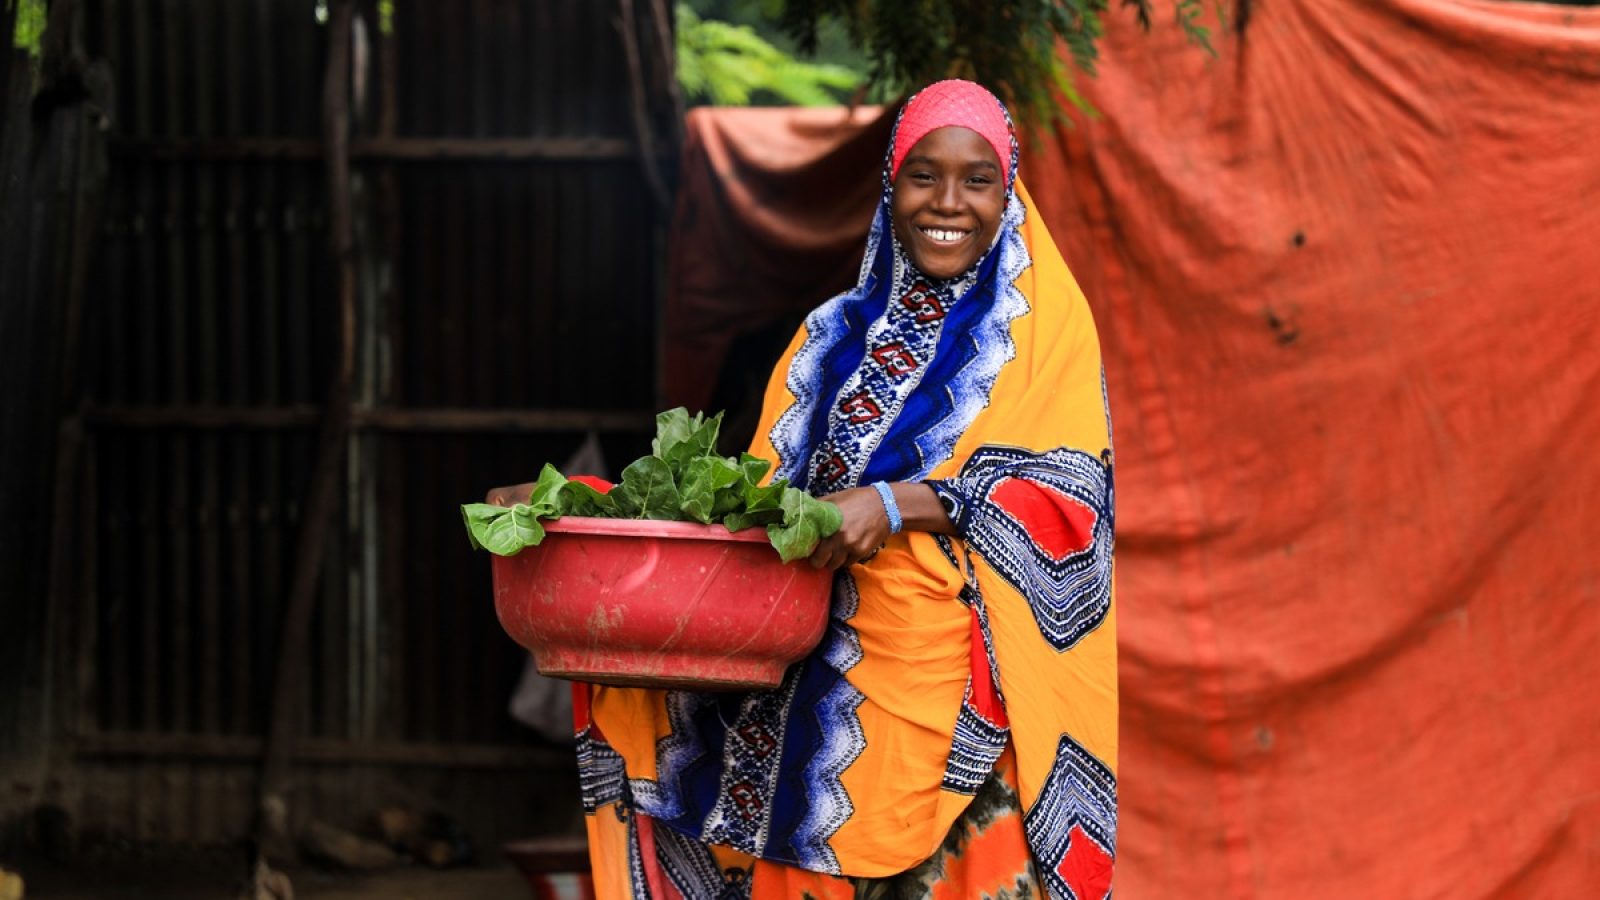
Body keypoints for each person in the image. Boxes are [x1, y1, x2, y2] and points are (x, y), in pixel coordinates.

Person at [575, 80, 1117, 899]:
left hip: (943, 710)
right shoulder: (827, 337)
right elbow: (757, 500)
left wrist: (902, 503)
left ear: (1009, 195)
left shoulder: (1041, 338)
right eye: (923, 175)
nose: (948, 202)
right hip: (795, 681)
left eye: (978, 180)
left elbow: (1071, 499)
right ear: (890, 187)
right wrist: (598, 511)